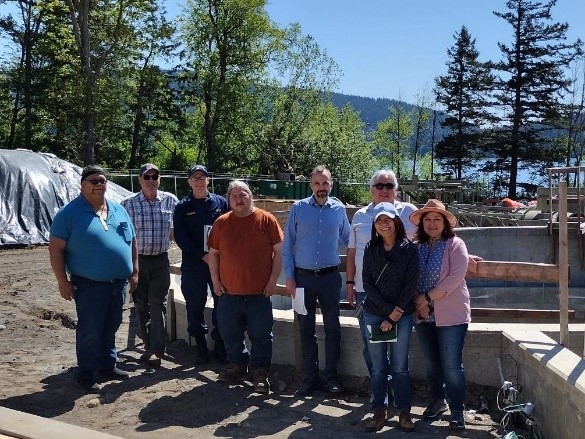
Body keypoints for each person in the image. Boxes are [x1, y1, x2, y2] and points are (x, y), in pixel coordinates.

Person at [48, 165, 138, 393]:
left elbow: (132, 242)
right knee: (90, 330)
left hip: (117, 283)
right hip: (89, 285)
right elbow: (55, 249)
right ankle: (86, 374)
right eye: (94, 181)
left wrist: (134, 271)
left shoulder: (119, 210)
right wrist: (62, 281)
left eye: (103, 181)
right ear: (82, 185)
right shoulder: (69, 214)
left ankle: (108, 365)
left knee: (111, 325)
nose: (99, 184)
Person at [207, 180, 283, 394]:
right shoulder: (221, 223)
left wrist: (272, 281)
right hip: (229, 293)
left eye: (244, 194)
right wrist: (215, 280)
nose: (239, 199)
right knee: (230, 334)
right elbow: (213, 254)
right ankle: (239, 366)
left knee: (261, 336)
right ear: (229, 200)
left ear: (251, 196)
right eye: (234, 196)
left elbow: (279, 253)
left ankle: (260, 373)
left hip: (259, 293)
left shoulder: (266, 220)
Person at [282, 165, 350, 397]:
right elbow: (287, 244)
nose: (321, 188)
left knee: (333, 328)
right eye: (317, 183)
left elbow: (348, 239)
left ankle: (331, 376)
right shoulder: (298, 209)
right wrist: (289, 276)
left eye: (325, 183)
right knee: (306, 329)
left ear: (331, 184)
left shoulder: (338, 209)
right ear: (311, 185)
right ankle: (310, 377)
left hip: (330, 278)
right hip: (302, 280)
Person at [346, 170, 418, 381]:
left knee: (399, 350)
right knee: (371, 346)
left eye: (389, 186)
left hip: (399, 295)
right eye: (379, 186)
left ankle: (397, 391)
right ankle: (380, 391)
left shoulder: (410, 212)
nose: (384, 190)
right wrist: (349, 283)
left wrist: (463, 254)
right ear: (371, 190)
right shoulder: (360, 215)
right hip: (365, 292)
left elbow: (433, 235)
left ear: (396, 190)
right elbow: (352, 252)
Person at [409, 199, 471, 430]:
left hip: (451, 315)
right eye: (428, 219)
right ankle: (438, 400)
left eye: (437, 219)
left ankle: (457, 410)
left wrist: (426, 298)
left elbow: (455, 277)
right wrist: (419, 301)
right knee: (431, 364)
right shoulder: (416, 246)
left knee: (452, 365)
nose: (432, 223)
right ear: (422, 223)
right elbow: (410, 276)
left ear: (445, 223)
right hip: (423, 314)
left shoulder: (456, 245)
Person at [361, 203, 419, 432]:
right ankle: (379, 410)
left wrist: (395, 314)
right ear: (375, 225)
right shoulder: (370, 249)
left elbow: (410, 284)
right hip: (375, 315)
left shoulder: (408, 250)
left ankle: (404, 411)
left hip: (401, 315)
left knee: (400, 367)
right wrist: (388, 312)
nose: (384, 224)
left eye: (388, 219)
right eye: (379, 220)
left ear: (396, 222)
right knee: (377, 367)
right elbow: (367, 284)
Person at [121, 163, 178, 368]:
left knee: (157, 303)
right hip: (138, 261)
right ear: (140, 180)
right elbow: (121, 236)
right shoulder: (128, 204)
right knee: (141, 305)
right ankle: (148, 346)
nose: (151, 180)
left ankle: (156, 349)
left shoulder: (171, 201)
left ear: (159, 179)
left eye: (155, 176)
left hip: (160, 260)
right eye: (147, 177)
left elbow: (179, 230)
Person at [173, 164, 228, 365]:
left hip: (220, 264)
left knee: (221, 304)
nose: (199, 180)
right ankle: (201, 347)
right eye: (194, 177)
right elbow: (181, 237)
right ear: (189, 182)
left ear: (208, 180)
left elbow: (230, 228)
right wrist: (201, 255)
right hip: (194, 265)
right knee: (195, 306)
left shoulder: (220, 203)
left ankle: (220, 345)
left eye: (202, 177)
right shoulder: (182, 207)